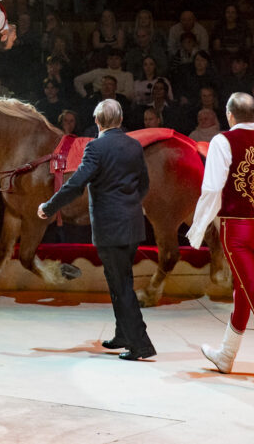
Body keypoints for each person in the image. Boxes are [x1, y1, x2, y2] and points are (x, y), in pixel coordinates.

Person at [187, 92, 254, 392]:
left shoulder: (223, 142)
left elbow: (212, 188)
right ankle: (226, 354)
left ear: (229, 114)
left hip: (235, 231)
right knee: (243, 292)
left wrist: (197, 228)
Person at [38, 99, 156, 361]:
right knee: (118, 281)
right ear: (120, 119)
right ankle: (123, 334)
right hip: (132, 224)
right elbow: (144, 185)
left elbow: (76, 185)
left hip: (110, 227)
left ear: (97, 121)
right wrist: (130, 206)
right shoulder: (134, 145)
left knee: (121, 284)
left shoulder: (96, 147)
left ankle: (141, 343)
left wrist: (49, 206)